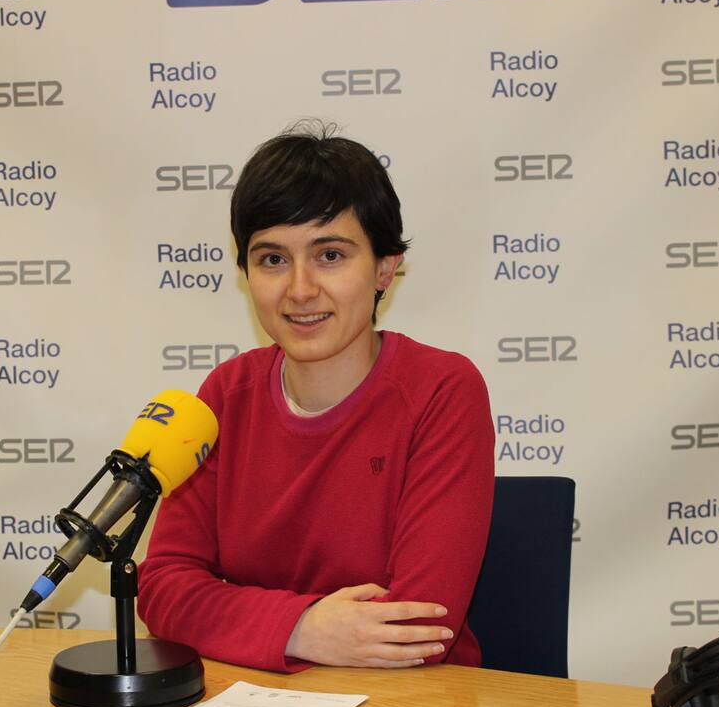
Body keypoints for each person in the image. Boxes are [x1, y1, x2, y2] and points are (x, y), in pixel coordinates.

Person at [137, 123, 494, 672]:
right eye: (272, 259)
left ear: (385, 268)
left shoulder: (442, 390)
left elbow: (418, 629)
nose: (300, 289)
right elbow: (163, 587)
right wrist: (302, 628)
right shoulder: (226, 395)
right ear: (246, 273)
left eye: (330, 255)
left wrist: (254, 625)